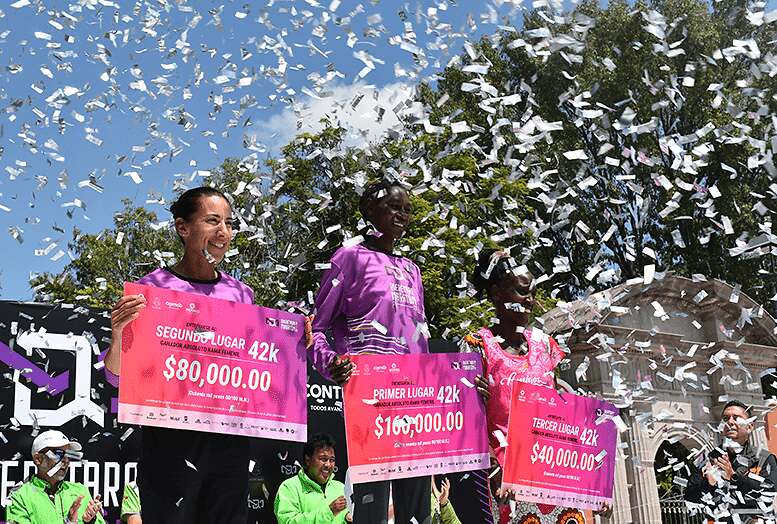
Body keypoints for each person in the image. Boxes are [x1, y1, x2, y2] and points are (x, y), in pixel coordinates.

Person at [103, 186, 256, 524]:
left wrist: (291, 344)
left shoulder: (243, 294)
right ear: (183, 228)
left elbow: (256, 364)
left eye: (229, 223)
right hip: (171, 441)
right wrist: (119, 333)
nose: (223, 233)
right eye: (212, 221)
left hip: (229, 442)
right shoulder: (152, 288)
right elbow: (115, 377)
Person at [309, 179, 432, 524]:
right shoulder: (350, 257)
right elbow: (317, 327)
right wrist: (331, 363)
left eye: (407, 209)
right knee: (373, 501)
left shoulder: (412, 269)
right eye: (392, 206)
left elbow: (418, 336)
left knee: (418, 503)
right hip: (371, 395)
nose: (401, 214)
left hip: (417, 397)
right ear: (369, 210)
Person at [463, 248, 587, 524]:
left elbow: (562, 415)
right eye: (521, 292)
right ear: (497, 294)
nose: (529, 300)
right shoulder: (478, 346)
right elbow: (467, 420)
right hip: (506, 479)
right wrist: (495, 471)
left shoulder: (546, 346)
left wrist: (589, 483)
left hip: (553, 472)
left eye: (531, 292)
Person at [685, 400, 777, 523]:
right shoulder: (708, 459)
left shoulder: (764, 458)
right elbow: (690, 498)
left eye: (736, 418)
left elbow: (769, 492)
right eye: (725, 418)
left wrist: (733, 477)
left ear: (749, 426)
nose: (730, 422)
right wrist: (709, 484)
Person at [6, 430, 104, 524]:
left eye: (68, 454)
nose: (65, 460)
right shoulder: (19, 496)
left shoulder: (80, 491)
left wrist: (90, 521)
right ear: (38, 459)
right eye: (58, 453)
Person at [274, 433, 351, 523]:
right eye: (323, 459)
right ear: (308, 460)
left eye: (332, 460)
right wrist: (329, 512)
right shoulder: (289, 488)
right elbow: (288, 522)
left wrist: (347, 518)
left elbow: (347, 515)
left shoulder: (340, 487)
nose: (328, 465)